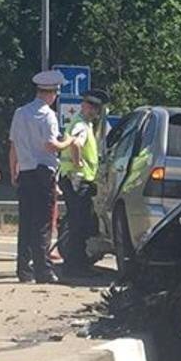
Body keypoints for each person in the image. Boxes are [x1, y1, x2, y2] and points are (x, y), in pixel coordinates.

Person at [8, 70, 73, 283]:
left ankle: (23, 270)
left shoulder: (20, 113)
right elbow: (50, 145)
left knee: (25, 222)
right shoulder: (48, 115)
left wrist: (13, 171)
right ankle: (43, 270)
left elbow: (14, 147)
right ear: (52, 93)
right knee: (43, 223)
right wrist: (68, 142)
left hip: (25, 172)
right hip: (44, 172)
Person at [56, 89, 109, 274]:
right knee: (79, 224)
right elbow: (76, 144)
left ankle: (75, 263)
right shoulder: (82, 125)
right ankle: (75, 266)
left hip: (72, 179)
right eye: (92, 107)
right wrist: (78, 163)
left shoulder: (79, 122)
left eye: (96, 108)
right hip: (78, 180)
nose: (93, 111)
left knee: (77, 222)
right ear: (86, 106)